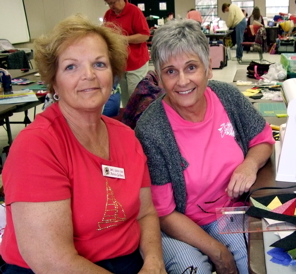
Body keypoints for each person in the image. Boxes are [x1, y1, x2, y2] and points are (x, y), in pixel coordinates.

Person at [0, 14, 165, 274]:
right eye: (71, 67)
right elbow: (51, 261)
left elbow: (145, 214)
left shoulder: (126, 137)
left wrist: (154, 264)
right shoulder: (36, 146)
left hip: (127, 261)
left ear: (113, 73)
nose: (88, 75)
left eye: (99, 64)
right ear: (54, 82)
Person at [134, 19, 275, 274]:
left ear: (208, 68)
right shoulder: (151, 129)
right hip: (176, 227)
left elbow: (263, 139)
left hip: (227, 214)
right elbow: (163, 213)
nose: (183, 81)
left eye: (191, 67)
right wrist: (217, 251)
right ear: (159, 76)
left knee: (254, 262)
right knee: (194, 269)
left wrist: (249, 164)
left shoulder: (227, 96)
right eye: (170, 71)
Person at [103, 0, 150, 107]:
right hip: (120, 63)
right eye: (108, 3)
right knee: (124, 96)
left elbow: (145, 35)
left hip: (136, 62)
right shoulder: (108, 14)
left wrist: (124, 39)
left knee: (135, 95)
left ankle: (139, 120)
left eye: (113, 2)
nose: (111, 6)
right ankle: (128, 120)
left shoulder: (134, 11)